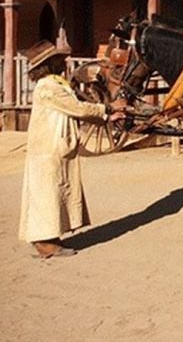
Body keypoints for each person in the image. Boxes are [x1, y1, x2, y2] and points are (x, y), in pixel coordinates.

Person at [18, 40, 118, 259]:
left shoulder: (56, 84)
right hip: (48, 150)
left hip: (55, 147)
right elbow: (77, 108)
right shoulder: (49, 87)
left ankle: (50, 237)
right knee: (47, 193)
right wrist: (107, 109)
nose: (64, 63)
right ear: (49, 64)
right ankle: (45, 243)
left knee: (55, 190)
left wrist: (106, 115)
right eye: (59, 60)